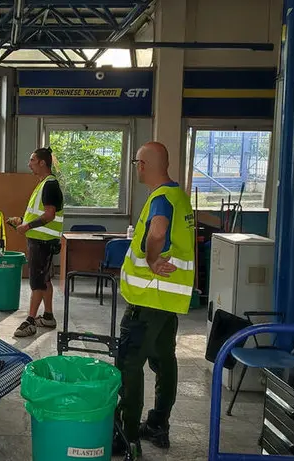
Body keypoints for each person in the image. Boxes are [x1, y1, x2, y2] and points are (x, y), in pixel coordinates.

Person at [112, 142, 196, 459]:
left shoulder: (161, 199)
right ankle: (158, 425)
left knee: (129, 365)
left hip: (149, 299)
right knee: (164, 362)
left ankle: (126, 434)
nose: (137, 167)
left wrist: (150, 259)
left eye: (137, 162)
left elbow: (158, 233)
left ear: (144, 164)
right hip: (167, 302)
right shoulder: (179, 196)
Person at [8, 147, 64, 338]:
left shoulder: (49, 185)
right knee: (45, 279)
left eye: (32, 160)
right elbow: (41, 212)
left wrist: (27, 227)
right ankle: (47, 316)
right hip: (42, 240)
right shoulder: (43, 184)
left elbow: (49, 215)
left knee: (37, 283)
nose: (29, 164)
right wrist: (22, 221)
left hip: (42, 241)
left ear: (42, 163)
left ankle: (30, 321)